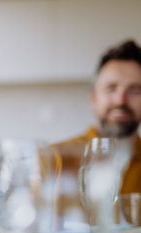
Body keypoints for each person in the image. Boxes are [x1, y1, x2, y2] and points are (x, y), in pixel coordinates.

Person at [52, 40, 141, 194]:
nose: (120, 100)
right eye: (111, 88)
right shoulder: (54, 158)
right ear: (93, 99)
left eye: (134, 91)